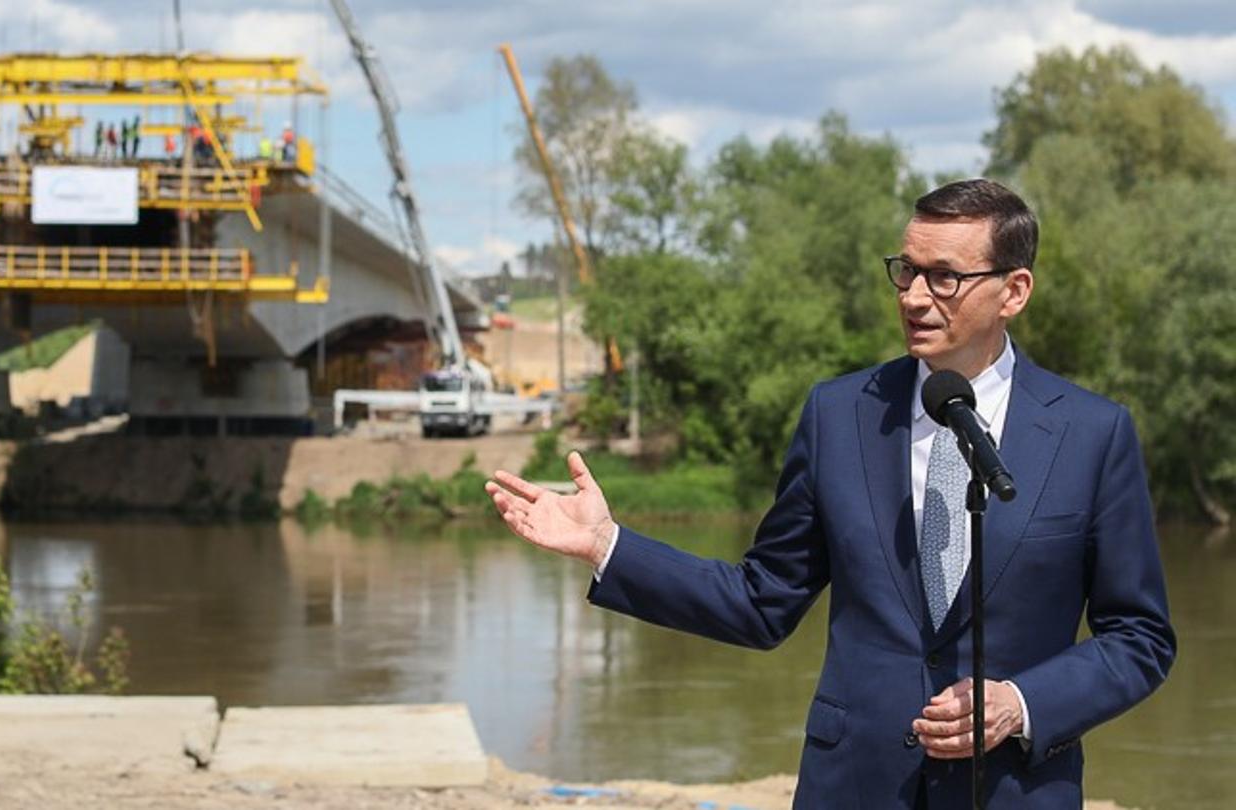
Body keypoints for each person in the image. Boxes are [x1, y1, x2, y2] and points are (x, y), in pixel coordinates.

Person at [487, 178, 1174, 808]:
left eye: (943, 278)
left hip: (1014, 792)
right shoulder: (837, 415)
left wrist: (1021, 703)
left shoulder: (1092, 434)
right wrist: (606, 545)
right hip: (854, 788)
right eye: (906, 270)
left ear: (1014, 290)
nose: (911, 296)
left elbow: (1139, 637)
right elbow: (762, 602)